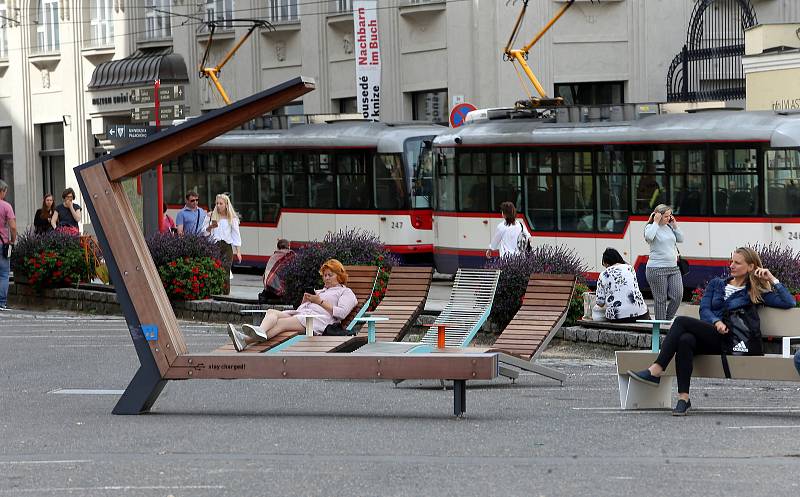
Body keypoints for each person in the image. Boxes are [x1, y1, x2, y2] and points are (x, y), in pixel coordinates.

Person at [628, 247, 794, 415]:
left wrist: (771, 278)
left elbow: (789, 302)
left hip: (734, 341)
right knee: (685, 339)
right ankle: (683, 398)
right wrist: (716, 322)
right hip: (714, 336)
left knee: (680, 322)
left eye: (737, 263)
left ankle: (656, 370)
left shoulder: (755, 292)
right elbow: (704, 310)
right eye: (731, 261)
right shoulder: (717, 284)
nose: (732, 265)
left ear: (751, 267)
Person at [227, 259, 357, 352]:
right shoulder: (320, 291)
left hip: (318, 321)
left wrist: (319, 302)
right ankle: (260, 331)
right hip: (303, 315)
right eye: (324, 275)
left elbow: (341, 313)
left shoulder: (346, 292)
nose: (326, 278)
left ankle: (246, 339)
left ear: (340, 276)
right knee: (271, 312)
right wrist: (305, 301)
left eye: (330, 275)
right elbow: (301, 308)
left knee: (281, 324)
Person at [644, 203, 684, 320]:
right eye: (666, 216)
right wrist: (655, 222)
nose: (669, 218)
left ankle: (667, 320)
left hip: (673, 268)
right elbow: (649, 237)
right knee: (660, 300)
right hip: (656, 269)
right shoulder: (650, 227)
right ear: (658, 216)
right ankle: (661, 327)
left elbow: (681, 239)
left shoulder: (669, 227)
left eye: (670, 215)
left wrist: (675, 225)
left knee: (678, 295)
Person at [594, 248, 650, 323]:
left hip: (617, 317)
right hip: (641, 314)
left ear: (607, 263)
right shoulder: (630, 268)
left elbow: (600, 303)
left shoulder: (603, 274)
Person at [207, 194, 241, 293]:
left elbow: (236, 235)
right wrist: (210, 227)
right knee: (215, 269)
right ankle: (215, 292)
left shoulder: (232, 218)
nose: (218, 205)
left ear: (226, 204)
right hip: (214, 245)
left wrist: (238, 251)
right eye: (217, 203)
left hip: (227, 247)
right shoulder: (212, 216)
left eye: (221, 203)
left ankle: (225, 293)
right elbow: (204, 233)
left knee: (226, 270)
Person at [260, 239, 294, 303]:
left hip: (272, 291)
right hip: (288, 292)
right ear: (288, 246)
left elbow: (266, 275)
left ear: (277, 247)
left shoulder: (273, 257)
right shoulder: (292, 256)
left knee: (264, 293)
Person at [0, 179, 16, 311]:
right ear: (2, 191)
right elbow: (13, 227)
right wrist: (13, 240)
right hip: (2, 244)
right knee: (4, 274)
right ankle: (2, 303)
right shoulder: (6, 206)